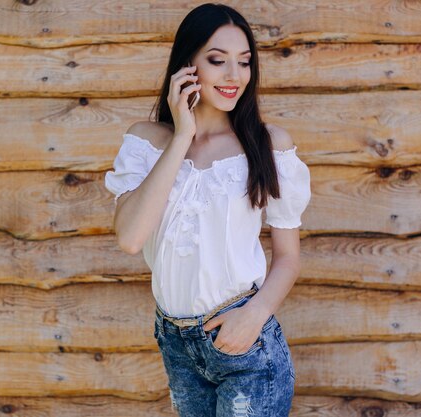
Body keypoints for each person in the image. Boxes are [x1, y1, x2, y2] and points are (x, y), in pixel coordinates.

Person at [104, 3, 311, 416]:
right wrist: (183, 135)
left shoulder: (269, 146)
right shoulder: (146, 142)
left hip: (246, 343)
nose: (235, 76)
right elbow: (129, 238)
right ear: (187, 66)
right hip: (176, 344)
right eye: (218, 61)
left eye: (245, 62)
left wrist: (254, 316)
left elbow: (288, 257)